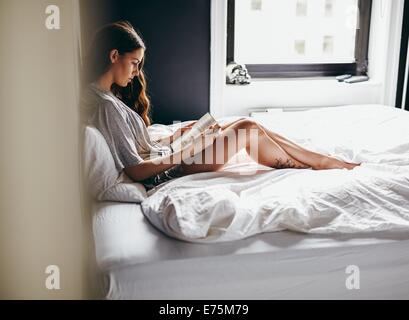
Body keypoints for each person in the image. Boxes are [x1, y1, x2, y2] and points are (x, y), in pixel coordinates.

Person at [81, 21, 360, 190]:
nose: (135, 72)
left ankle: (318, 161)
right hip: (171, 169)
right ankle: (317, 164)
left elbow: (139, 145)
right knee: (247, 128)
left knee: (245, 125)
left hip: (171, 150)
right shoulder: (106, 105)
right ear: (114, 55)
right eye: (134, 63)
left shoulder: (108, 98)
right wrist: (188, 149)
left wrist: (178, 135)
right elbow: (136, 169)